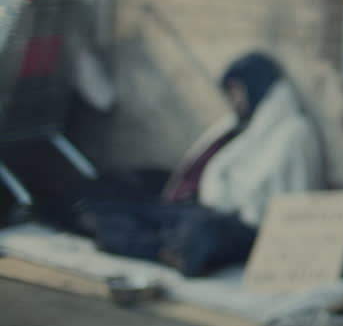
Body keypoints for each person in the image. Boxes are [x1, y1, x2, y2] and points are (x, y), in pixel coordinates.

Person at [74, 52, 325, 275]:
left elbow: (283, 203)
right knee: (111, 199)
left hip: (231, 220)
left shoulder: (294, 132)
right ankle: (168, 247)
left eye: (238, 91)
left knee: (200, 231)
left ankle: (170, 250)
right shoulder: (241, 125)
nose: (234, 100)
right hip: (199, 206)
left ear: (255, 86)